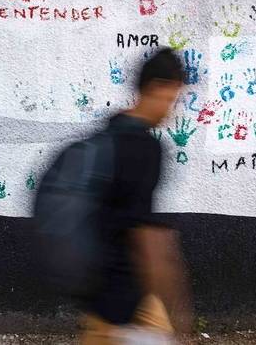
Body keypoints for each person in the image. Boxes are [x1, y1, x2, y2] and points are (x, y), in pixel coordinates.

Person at [80, 48, 194, 344]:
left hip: (100, 291)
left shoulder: (107, 133)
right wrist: (178, 310)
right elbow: (147, 238)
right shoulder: (145, 148)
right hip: (126, 298)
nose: (171, 110)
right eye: (171, 99)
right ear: (155, 88)